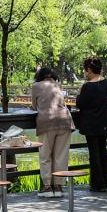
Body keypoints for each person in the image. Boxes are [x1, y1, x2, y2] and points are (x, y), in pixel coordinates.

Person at [31, 67, 74, 198]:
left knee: (45, 155)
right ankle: (59, 186)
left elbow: (34, 105)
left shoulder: (36, 86)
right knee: (61, 155)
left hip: (47, 122)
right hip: (65, 121)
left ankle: (47, 187)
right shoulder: (57, 85)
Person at [75, 57, 107, 192]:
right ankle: (106, 181)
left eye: (85, 70)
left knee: (94, 153)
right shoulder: (106, 83)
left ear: (89, 69)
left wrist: (79, 93)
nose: (85, 73)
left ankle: (97, 183)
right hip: (104, 123)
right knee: (103, 151)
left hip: (91, 123)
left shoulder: (88, 86)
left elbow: (80, 103)